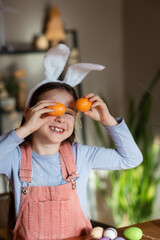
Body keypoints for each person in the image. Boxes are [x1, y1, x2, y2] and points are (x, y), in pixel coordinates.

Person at [0, 44, 143, 240]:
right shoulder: (13, 157)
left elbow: (131, 159)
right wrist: (24, 130)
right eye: (52, 109)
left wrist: (108, 120)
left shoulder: (80, 155)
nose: (61, 118)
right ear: (29, 113)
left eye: (68, 113)